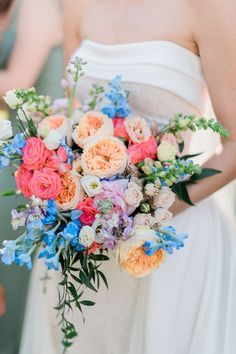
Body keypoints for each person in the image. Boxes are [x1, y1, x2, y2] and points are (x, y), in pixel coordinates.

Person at [20, 0, 236, 353]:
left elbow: (235, 144)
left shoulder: (211, 6)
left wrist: (139, 214)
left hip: (168, 242)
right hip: (82, 242)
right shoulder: (77, 4)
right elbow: (73, 119)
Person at [0, 0, 63, 353]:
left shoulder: (36, 5)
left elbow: (17, 83)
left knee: (14, 269)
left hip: (40, 161)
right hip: (15, 151)